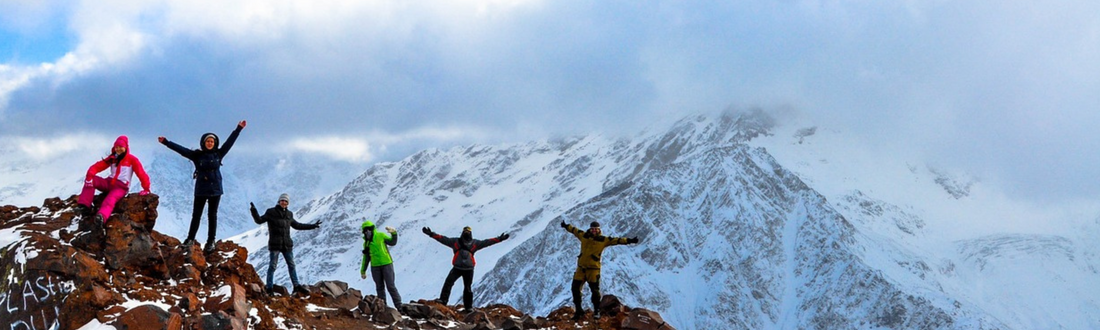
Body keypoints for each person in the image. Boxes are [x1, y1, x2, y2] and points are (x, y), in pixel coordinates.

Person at [159, 120, 246, 253]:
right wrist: (166, 142)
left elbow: (230, 142)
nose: (210, 143)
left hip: (216, 190)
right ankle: (190, 239)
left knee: (212, 216)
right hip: (201, 189)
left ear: (215, 143)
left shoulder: (219, 154)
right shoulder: (197, 155)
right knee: (197, 215)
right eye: (208, 141)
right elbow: (181, 150)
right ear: (203, 143)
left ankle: (211, 242)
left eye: (212, 141)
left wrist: (238, 129)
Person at [561, 220, 639, 321]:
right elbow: (574, 230)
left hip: (593, 270)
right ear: (590, 228)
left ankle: (597, 311)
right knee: (575, 289)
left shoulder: (603, 240)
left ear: (599, 230)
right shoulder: (584, 236)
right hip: (581, 268)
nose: (594, 230)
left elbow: (617, 240)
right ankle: (579, 311)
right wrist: (566, 226)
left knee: (595, 291)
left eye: (596, 229)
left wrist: (630, 241)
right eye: (592, 228)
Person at [422, 226, 509, 311]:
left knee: (458, 285)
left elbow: (488, 242)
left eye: (468, 231)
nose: (466, 233)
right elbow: (442, 239)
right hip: (463, 268)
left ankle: (462, 305)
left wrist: (500, 239)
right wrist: (431, 234)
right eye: (466, 231)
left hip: (464, 269)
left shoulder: (457, 242)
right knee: (457, 285)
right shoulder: (470, 243)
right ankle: (463, 306)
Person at [250, 193, 320, 296]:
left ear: (288, 203)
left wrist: (312, 226)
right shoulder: (271, 212)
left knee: (292, 266)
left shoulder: (289, 214)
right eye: (282, 200)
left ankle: (296, 286)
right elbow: (259, 220)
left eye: (286, 201)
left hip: (287, 245)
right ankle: (269, 289)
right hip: (275, 244)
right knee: (272, 266)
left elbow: (297, 225)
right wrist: (254, 210)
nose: (284, 202)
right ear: (279, 202)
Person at [76, 135, 151, 226]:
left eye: (121, 147)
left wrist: (146, 188)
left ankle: (101, 217)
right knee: (92, 181)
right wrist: (89, 177)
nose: (118, 149)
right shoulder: (113, 158)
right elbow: (98, 166)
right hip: (109, 182)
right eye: (117, 147)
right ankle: (84, 206)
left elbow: (141, 174)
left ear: (126, 147)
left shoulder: (132, 160)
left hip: (121, 187)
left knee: (110, 199)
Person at [360, 220, 402, 310]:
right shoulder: (366, 244)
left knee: (390, 286)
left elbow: (392, 242)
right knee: (379, 287)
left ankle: (399, 306)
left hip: (386, 264)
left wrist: (394, 233)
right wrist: (363, 270)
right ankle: (383, 307)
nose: (367, 232)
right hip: (375, 267)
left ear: (372, 229)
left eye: (369, 229)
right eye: (365, 230)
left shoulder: (381, 236)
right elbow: (366, 258)